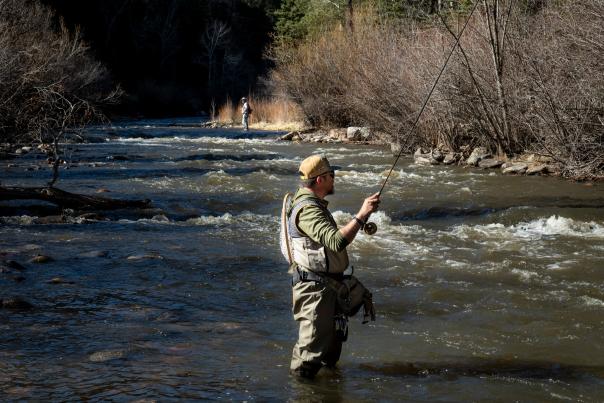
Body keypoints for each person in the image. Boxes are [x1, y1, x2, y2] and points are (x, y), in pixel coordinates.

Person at [287, 154, 380, 379]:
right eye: (331, 175)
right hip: (314, 292)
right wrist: (362, 215)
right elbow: (336, 241)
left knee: (330, 355)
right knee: (308, 359)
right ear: (320, 180)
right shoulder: (307, 210)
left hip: (328, 288)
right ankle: (302, 394)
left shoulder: (313, 204)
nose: (334, 179)